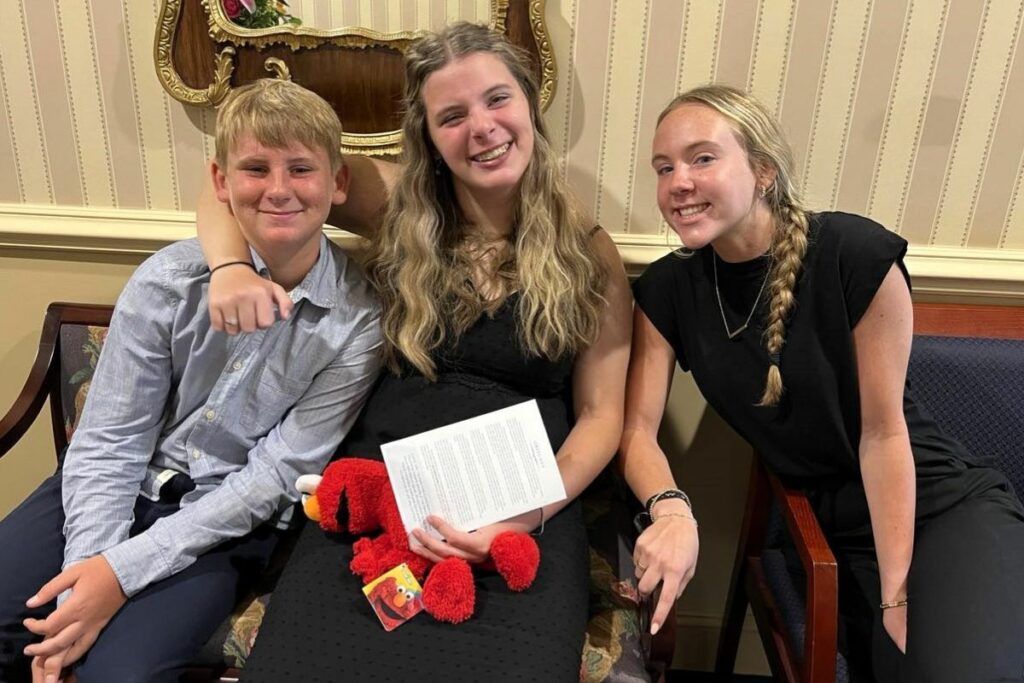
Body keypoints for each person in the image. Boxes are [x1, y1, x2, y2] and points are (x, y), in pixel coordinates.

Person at [195, 22, 632, 682]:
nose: (481, 128)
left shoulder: (588, 250)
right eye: (451, 116)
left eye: (497, 99)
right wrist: (230, 267)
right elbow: (227, 182)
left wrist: (525, 513)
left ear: (529, 105)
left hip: (520, 507)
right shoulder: (396, 202)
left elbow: (602, 416)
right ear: (427, 135)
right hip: (378, 496)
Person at [620, 83, 1024, 682]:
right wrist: (672, 511)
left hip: (937, 508)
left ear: (761, 171)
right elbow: (636, 432)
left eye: (702, 158)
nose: (678, 182)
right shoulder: (665, 292)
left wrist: (894, 595)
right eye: (663, 167)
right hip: (831, 528)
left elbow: (885, 435)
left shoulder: (853, 255)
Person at [0, 78, 383, 683]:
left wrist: (121, 573)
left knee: (121, 674)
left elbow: (275, 476)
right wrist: (89, 573)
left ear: (337, 184)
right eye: (256, 168)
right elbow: (109, 439)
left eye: (301, 169)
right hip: (113, 485)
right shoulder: (168, 282)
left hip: (225, 522)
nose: (279, 189)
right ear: (221, 182)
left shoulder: (358, 322)